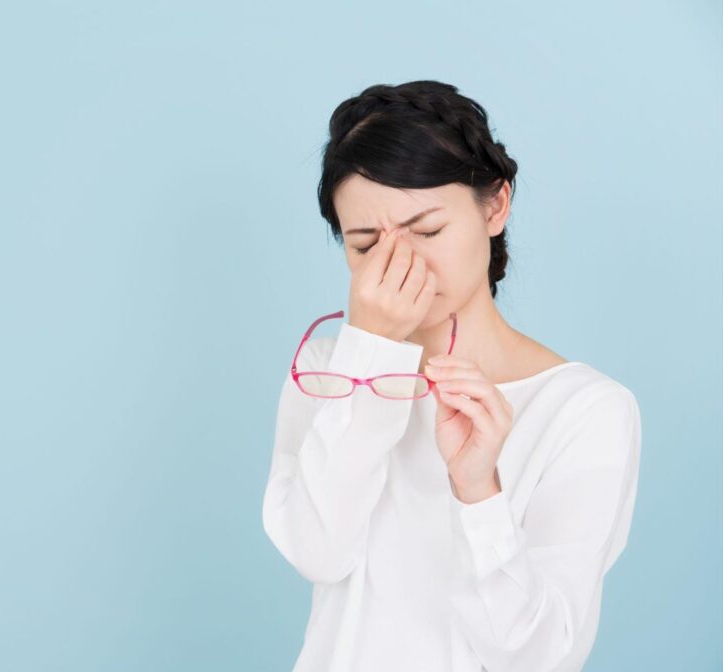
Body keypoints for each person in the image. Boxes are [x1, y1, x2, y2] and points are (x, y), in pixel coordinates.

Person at [261, 80, 642, 672]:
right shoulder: (327, 371)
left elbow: (542, 657)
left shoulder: (585, 410)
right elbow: (318, 550)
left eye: (428, 231)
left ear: (495, 206)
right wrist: (369, 350)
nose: (401, 263)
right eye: (365, 244)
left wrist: (479, 492)